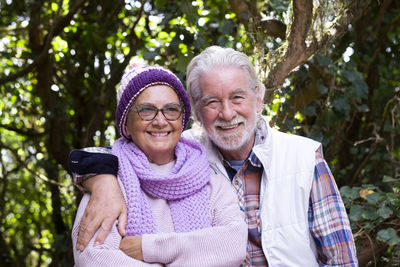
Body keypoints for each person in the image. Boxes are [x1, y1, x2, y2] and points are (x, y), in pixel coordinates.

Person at [71, 46, 358, 266]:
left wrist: (148, 247)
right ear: (195, 111)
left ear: (258, 99)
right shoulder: (180, 151)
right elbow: (116, 153)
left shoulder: (302, 158)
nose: (227, 113)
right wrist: (103, 180)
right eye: (212, 102)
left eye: (237, 97)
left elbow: (341, 258)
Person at [69, 63, 247, 266]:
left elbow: (232, 245)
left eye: (171, 110)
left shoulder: (211, 183)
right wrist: (198, 253)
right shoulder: (108, 185)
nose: (160, 121)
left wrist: (147, 247)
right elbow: (93, 258)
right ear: (126, 124)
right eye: (146, 110)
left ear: (182, 120)